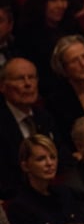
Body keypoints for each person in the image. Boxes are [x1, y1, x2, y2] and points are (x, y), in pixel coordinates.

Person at [0, 57, 63, 199]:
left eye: (32, 77)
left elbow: (62, 156)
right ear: (2, 86)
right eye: (20, 79)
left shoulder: (45, 116)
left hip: (52, 193)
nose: (28, 84)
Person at [6, 134, 81, 224]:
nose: (49, 163)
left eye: (53, 157)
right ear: (25, 166)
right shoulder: (19, 208)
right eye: (41, 159)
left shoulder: (65, 193)